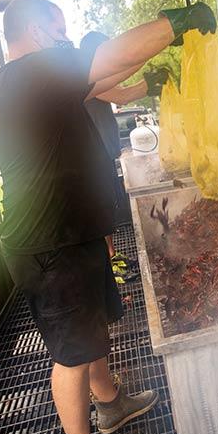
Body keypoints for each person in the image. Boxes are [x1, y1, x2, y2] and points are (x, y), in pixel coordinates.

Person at [0, 0, 215, 434]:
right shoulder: (29, 74)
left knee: (89, 333)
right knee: (71, 355)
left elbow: (104, 76)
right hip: (50, 244)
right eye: (57, 29)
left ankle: (111, 402)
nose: (65, 38)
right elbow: (105, 57)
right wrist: (176, 23)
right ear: (36, 31)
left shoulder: (35, 83)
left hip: (71, 234)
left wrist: (147, 77)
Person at [78, 31, 170, 276]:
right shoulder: (86, 79)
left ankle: (111, 254)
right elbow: (124, 95)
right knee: (101, 208)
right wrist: (150, 80)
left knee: (106, 205)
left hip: (101, 154)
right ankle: (109, 262)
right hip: (91, 158)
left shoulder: (97, 78)